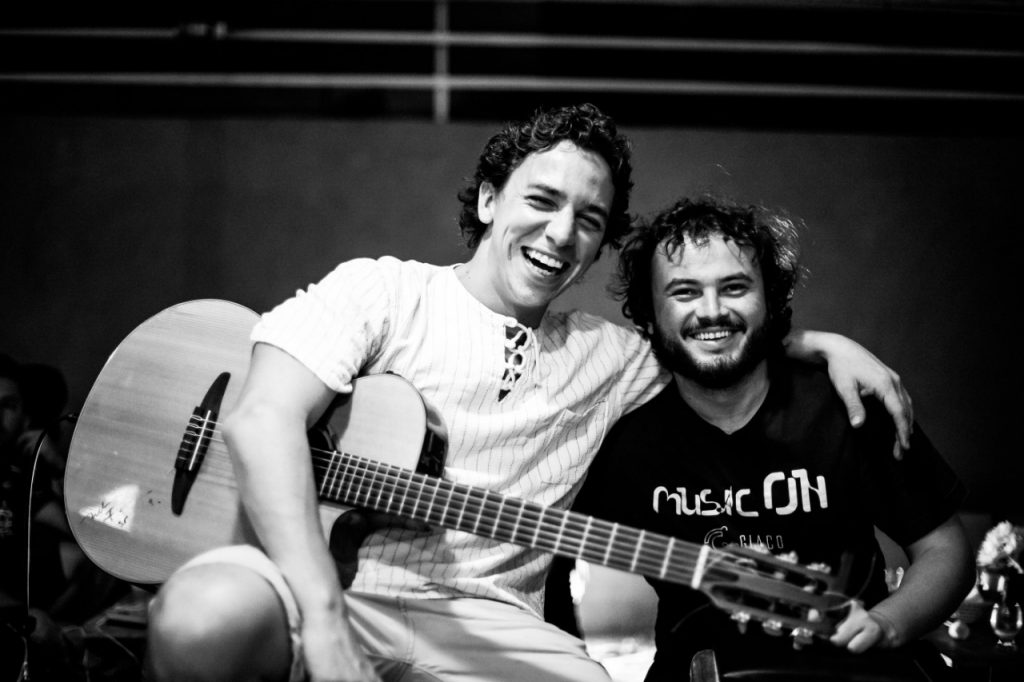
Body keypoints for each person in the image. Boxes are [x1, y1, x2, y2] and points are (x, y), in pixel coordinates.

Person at [145, 103, 914, 682]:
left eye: (589, 219)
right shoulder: (384, 292)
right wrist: (322, 620)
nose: (560, 234)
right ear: (489, 201)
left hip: (489, 619)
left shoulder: (610, 358)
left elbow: (708, 342)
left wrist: (817, 344)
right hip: (308, 578)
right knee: (201, 621)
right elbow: (260, 420)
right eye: (541, 201)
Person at [552, 196, 974, 679]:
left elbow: (945, 551)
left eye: (734, 287)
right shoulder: (624, 437)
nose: (712, 311)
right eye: (684, 292)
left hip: (857, 670)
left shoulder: (848, 406)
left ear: (770, 302)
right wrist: (569, 663)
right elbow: (553, 561)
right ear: (650, 314)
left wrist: (886, 624)